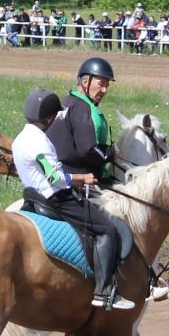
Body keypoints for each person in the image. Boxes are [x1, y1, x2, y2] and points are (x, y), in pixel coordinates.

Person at [43, 57, 136, 310]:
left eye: (107, 86)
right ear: (85, 81)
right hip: (78, 181)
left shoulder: (65, 103)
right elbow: (88, 151)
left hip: (55, 178)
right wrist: (110, 153)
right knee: (108, 228)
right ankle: (105, 291)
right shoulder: (83, 108)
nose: (104, 90)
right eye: (101, 84)